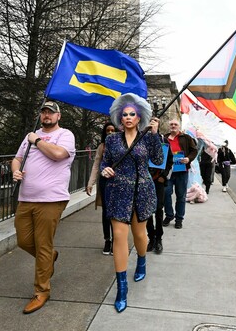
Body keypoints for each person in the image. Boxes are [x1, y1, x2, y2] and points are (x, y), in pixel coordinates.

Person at [11, 101, 76, 314]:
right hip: (26, 197)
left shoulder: (65, 134)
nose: (46, 115)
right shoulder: (31, 135)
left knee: (43, 244)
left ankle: (41, 291)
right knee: (23, 241)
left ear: (59, 116)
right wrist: (16, 171)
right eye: (44, 112)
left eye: (51, 112)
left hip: (51, 199)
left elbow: (58, 154)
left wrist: (37, 140)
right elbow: (17, 158)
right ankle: (49, 258)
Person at [100, 93, 163, 313]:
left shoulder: (147, 138)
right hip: (118, 191)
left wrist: (156, 136)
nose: (128, 117)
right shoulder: (111, 139)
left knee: (139, 235)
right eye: (124, 114)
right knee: (118, 236)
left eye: (132, 114)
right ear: (120, 117)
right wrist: (104, 170)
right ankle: (122, 288)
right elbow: (105, 162)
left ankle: (142, 260)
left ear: (139, 118)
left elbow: (158, 160)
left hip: (143, 191)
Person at [86, 121, 117, 255]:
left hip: (119, 183)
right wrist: (90, 183)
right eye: (107, 130)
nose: (110, 133)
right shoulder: (101, 147)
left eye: (112, 130)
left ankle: (117, 241)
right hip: (105, 182)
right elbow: (96, 164)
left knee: (116, 213)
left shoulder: (122, 145)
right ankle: (107, 240)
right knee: (106, 213)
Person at [163, 118, 197, 229]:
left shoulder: (186, 138)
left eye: (175, 124)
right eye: (171, 124)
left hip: (182, 171)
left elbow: (194, 151)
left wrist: (188, 159)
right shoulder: (164, 138)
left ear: (179, 126)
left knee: (181, 196)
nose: (173, 126)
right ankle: (169, 215)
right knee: (166, 193)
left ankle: (179, 218)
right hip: (168, 172)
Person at [146, 118, 172, 255]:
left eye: (155, 121)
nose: (152, 123)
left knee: (158, 209)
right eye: (151, 121)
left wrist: (164, 176)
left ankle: (159, 238)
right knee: (147, 211)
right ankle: (151, 238)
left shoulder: (163, 140)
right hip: (145, 181)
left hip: (158, 180)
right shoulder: (142, 139)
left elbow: (170, 161)